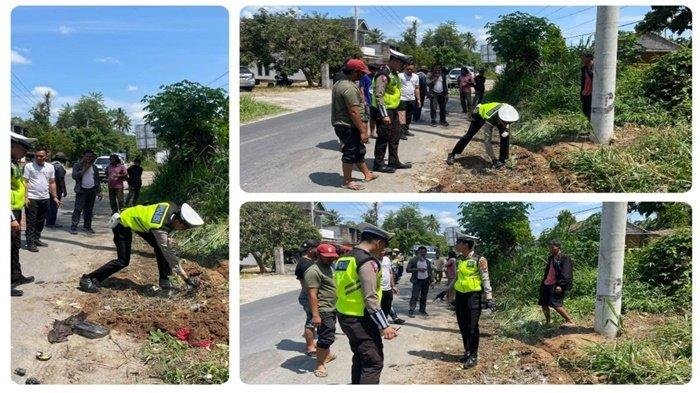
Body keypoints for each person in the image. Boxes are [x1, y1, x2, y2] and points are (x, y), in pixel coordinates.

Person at [78, 202, 204, 294]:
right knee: (123, 261)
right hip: (123, 223)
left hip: (140, 220)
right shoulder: (159, 226)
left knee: (160, 247)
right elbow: (169, 255)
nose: (182, 230)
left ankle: (164, 280)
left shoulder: (172, 207)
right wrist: (186, 279)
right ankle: (88, 278)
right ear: (178, 221)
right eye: (183, 227)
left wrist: (164, 240)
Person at [335, 224, 399, 384]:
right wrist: (385, 326)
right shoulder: (366, 261)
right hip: (361, 320)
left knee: (360, 357)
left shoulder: (344, 258)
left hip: (345, 316)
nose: (384, 249)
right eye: (384, 244)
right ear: (377, 242)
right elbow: (370, 297)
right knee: (373, 362)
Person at [331, 59, 378, 190]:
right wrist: (363, 130)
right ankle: (347, 181)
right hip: (347, 125)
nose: (363, 75)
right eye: (361, 73)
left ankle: (367, 173)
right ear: (354, 72)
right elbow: (353, 111)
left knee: (358, 150)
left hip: (346, 125)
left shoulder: (340, 83)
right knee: (350, 152)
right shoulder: (348, 88)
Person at [453, 233, 495, 369]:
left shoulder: (479, 259)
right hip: (460, 296)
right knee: (462, 325)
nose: (456, 245)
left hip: (473, 297)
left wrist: (489, 297)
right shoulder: (459, 260)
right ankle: (467, 351)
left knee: (472, 327)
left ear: (465, 244)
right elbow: (457, 278)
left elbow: (485, 278)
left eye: (458, 242)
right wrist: (448, 290)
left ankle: (473, 356)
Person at [372, 49, 413, 173]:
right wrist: (384, 115)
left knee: (395, 136)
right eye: (402, 64)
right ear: (394, 61)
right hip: (384, 111)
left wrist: (401, 116)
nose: (403, 67)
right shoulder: (383, 74)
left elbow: (397, 94)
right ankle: (378, 164)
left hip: (394, 110)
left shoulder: (394, 74)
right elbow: (379, 95)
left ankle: (393, 161)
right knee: (383, 137)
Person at [446, 102, 520, 169]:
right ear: (500, 119)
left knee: (505, 136)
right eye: (505, 123)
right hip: (479, 115)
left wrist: (506, 128)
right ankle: (452, 154)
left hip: (497, 116)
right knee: (469, 135)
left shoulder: (507, 110)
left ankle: (503, 159)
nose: (507, 124)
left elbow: (507, 123)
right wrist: (494, 160)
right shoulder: (490, 119)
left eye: (508, 123)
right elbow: (487, 142)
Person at [305, 243, 340, 378]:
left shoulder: (330, 266)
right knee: (326, 337)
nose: (331, 259)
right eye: (327, 257)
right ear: (318, 255)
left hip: (333, 307)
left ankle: (327, 354)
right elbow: (312, 294)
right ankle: (319, 364)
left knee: (329, 333)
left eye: (332, 257)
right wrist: (315, 315)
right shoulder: (314, 271)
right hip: (323, 309)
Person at [10, 132, 37, 296]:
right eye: (23, 148)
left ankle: (15, 276)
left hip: (15, 210)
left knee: (14, 245)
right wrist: (11, 217)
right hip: (9, 212)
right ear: (12, 146)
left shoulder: (13, 163)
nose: (25, 152)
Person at [23, 148, 61, 252]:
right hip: (32, 197)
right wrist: (26, 197)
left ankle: (36, 238)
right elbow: (25, 182)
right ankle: (30, 242)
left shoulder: (50, 167)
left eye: (41, 156)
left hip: (45, 197)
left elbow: (52, 182)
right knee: (31, 221)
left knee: (41, 220)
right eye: (36, 156)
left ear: (46, 156)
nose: (39, 158)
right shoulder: (29, 166)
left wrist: (54, 197)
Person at [539, 240, 575, 328]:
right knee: (543, 303)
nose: (550, 249)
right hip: (546, 283)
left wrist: (560, 285)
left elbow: (566, 273)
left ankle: (570, 321)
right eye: (550, 247)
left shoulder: (564, 258)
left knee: (556, 304)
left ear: (558, 247)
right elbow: (548, 271)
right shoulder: (551, 258)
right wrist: (543, 283)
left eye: (552, 247)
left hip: (556, 284)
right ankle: (548, 321)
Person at [296, 239, 320, 357]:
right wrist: (313, 299)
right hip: (309, 295)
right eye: (317, 247)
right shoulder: (305, 263)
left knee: (311, 320)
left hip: (309, 295)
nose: (318, 250)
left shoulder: (308, 261)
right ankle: (310, 347)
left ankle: (311, 343)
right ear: (311, 249)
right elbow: (305, 285)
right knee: (311, 321)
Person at [70, 150, 103, 235]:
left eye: (90, 156)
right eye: (87, 156)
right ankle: (74, 226)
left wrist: (99, 191)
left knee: (89, 210)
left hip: (91, 191)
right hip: (81, 191)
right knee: (78, 209)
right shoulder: (77, 165)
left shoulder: (94, 167)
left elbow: (97, 180)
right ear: (83, 156)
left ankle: (87, 226)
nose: (88, 158)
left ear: (92, 157)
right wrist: (84, 169)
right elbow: (74, 176)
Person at [380, 248, 406, 325]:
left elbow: (390, 272)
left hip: (387, 287)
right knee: (378, 305)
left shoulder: (387, 260)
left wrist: (393, 285)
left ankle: (391, 319)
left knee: (388, 304)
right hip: (378, 288)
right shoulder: (373, 259)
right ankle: (384, 322)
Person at [406, 246, 432, 317]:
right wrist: (418, 269)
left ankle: (422, 310)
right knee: (415, 296)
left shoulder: (427, 261)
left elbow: (430, 272)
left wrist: (431, 281)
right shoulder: (413, 260)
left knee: (424, 296)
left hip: (426, 281)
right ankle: (411, 310)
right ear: (418, 252)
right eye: (421, 252)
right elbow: (407, 270)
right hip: (417, 281)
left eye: (424, 252)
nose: (423, 253)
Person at [398, 63, 421, 140]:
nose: (409, 70)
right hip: (402, 99)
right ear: (405, 68)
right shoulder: (400, 76)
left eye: (411, 69)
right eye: (408, 69)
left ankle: (406, 130)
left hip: (411, 99)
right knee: (402, 116)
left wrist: (418, 99)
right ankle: (401, 133)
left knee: (409, 116)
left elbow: (417, 88)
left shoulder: (416, 76)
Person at [45, 152, 68, 228]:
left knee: (50, 205)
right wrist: (64, 190)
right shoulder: (60, 167)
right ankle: (51, 222)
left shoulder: (50, 165)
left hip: (47, 188)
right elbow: (61, 179)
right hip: (56, 189)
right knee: (54, 206)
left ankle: (49, 221)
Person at [365, 64, 380, 139]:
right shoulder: (365, 77)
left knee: (374, 117)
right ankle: (366, 133)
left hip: (376, 100)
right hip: (367, 100)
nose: (375, 72)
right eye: (374, 70)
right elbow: (361, 88)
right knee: (367, 118)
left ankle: (373, 132)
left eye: (377, 70)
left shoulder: (378, 77)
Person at [580, 53, 594, 121]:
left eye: (583, 58)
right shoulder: (583, 69)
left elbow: (593, 76)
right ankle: (592, 123)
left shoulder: (596, 67)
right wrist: (581, 93)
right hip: (585, 93)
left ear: (589, 58)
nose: (582, 60)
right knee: (585, 110)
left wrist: (589, 69)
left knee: (592, 110)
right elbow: (583, 82)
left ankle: (593, 125)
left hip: (593, 93)